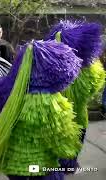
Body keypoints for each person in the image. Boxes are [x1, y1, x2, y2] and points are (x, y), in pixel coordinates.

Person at [0, 40, 83, 180]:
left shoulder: (2, 91)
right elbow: (61, 140)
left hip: (14, 166)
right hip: (41, 168)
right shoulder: (52, 103)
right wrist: (68, 159)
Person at [45, 20, 105, 173]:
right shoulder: (90, 67)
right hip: (78, 114)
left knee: (57, 140)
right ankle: (70, 164)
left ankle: (58, 164)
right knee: (77, 138)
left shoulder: (47, 64)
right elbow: (95, 88)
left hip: (56, 115)